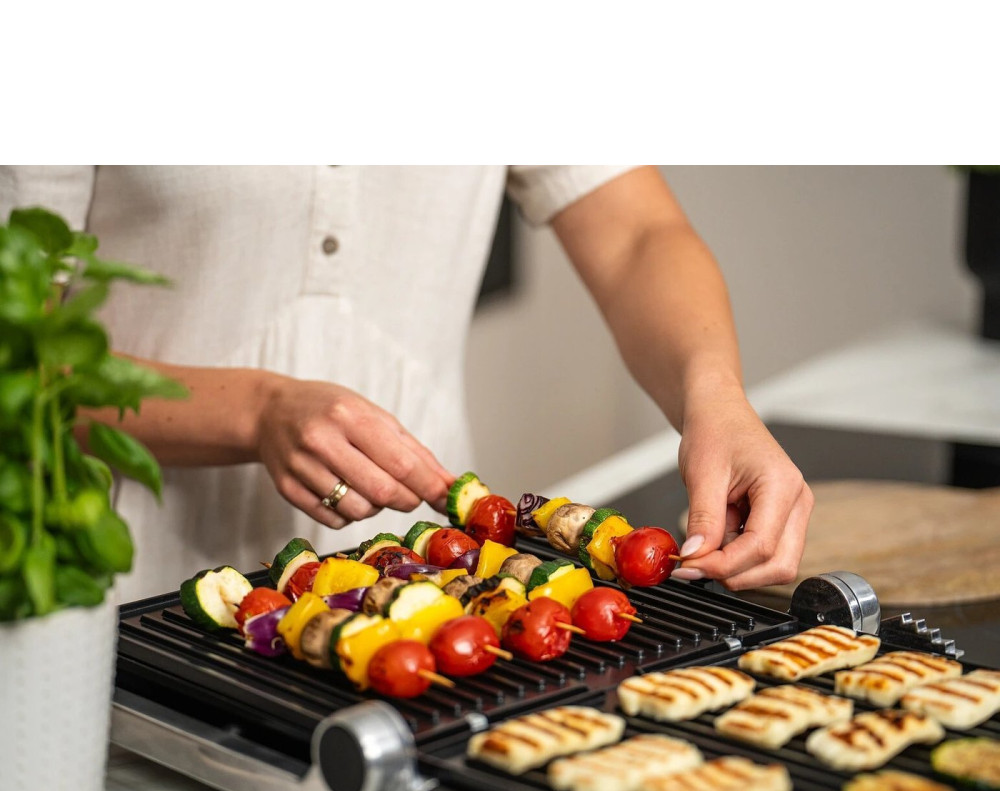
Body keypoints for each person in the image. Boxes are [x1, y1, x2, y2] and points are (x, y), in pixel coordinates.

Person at [0, 165, 812, 603]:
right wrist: (255, 411)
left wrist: (717, 399)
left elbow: (637, 234)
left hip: (436, 575)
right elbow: (14, 349)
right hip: (115, 582)